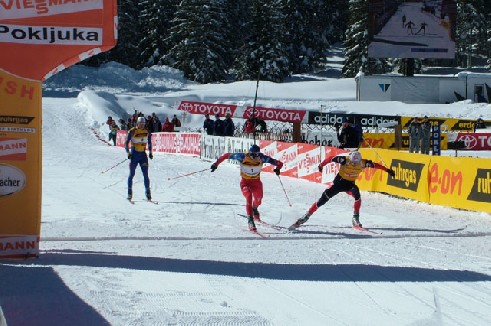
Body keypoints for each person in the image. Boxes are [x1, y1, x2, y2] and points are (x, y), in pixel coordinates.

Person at [290, 151, 395, 229]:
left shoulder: (363, 163)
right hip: (338, 184)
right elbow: (331, 158)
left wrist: (388, 170)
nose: (354, 164)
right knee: (323, 200)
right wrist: (321, 165)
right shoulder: (345, 160)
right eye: (353, 162)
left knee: (357, 195)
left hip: (349, 185)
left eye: (356, 162)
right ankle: (306, 216)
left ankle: (355, 218)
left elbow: (376, 165)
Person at [210, 144, 284, 231]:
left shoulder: (262, 158)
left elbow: (279, 163)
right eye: (252, 155)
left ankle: (254, 209)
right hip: (245, 183)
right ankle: (250, 220)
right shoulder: (242, 157)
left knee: (258, 201)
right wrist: (216, 164)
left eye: (256, 155)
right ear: (249, 153)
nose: (254, 157)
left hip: (257, 183)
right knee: (248, 196)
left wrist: (278, 168)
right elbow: (226, 155)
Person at [125, 116, 153, 201]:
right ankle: (129, 192)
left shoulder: (147, 131)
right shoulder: (132, 131)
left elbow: (149, 143)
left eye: (143, 124)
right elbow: (126, 143)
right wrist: (128, 153)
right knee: (132, 174)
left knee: (145, 175)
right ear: (137, 123)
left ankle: (147, 192)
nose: (142, 125)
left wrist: (151, 153)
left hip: (143, 156)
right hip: (134, 156)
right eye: (140, 124)